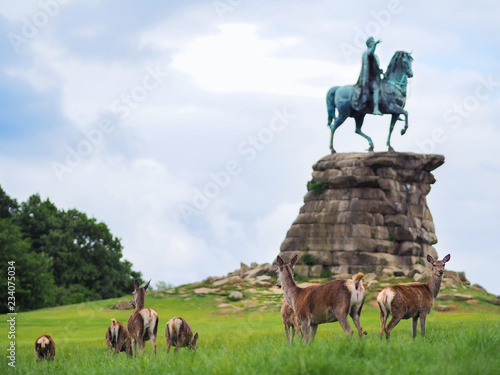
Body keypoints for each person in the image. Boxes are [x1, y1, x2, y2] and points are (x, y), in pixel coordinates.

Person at [353, 37, 383, 115]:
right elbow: (371, 52)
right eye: (372, 42)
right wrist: (375, 45)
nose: (373, 43)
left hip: (376, 78)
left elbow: (375, 67)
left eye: (373, 42)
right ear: (369, 44)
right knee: (376, 89)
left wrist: (379, 71)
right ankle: (375, 109)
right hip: (368, 79)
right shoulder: (367, 53)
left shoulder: (374, 56)